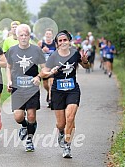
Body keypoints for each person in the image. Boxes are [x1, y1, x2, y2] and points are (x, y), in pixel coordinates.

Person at [40, 30, 90, 158]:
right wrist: (51, 72)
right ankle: (61, 131)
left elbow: (86, 66)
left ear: (69, 41)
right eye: (60, 41)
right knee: (61, 123)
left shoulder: (75, 53)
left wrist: (84, 61)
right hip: (57, 91)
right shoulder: (53, 57)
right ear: (57, 44)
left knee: (70, 117)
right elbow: (43, 73)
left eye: (65, 40)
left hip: (73, 89)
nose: (63, 43)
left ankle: (67, 146)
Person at [6, 24, 46, 152]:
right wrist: (9, 81)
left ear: (29, 36)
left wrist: (38, 77)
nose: (23, 37)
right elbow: (8, 66)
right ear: (17, 37)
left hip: (32, 88)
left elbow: (44, 68)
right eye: (21, 35)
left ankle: (29, 139)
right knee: (18, 117)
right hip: (17, 88)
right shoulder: (12, 50)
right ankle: (25, 126)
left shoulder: (36, 50)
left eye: (26, 35)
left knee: (31, 116)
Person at [37, 28, 56, 108]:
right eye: (47, 34)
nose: (48, 35)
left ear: (52, 35)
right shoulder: (41, 43)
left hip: (52, 67)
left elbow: (59, 52)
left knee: (51, 83)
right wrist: (42, 50)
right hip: (44, 67)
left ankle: (51, 100)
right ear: (45, 35)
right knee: (45, 85)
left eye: (49, 34)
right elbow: (36, 53)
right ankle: (49, 92)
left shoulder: (55, 43)